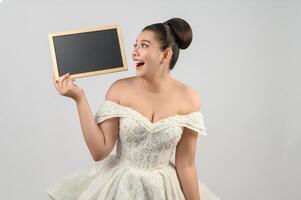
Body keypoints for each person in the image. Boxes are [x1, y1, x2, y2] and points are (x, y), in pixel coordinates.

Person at [46, 18, 221, 200]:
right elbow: (99, 151)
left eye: (144, 46)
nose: (134, 52)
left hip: (164, 190)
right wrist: (79, 98)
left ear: (165, 55)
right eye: (135, 45)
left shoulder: (189, 98)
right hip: (120, 187)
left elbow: (186, 165)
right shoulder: (119, 89)